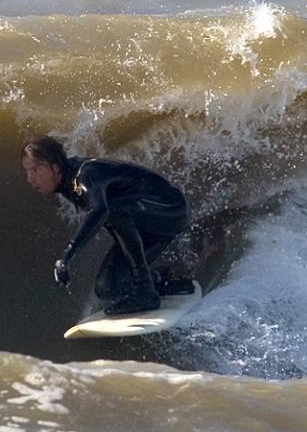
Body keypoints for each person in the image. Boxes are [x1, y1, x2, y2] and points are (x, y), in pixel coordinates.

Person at [22, 135, 189, 316]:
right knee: (106, 288)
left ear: (55, 167)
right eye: (27, 171)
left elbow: (100, 211)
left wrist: (67, 256)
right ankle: (165, 279)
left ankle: (145, 290)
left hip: (171, 209)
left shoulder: (84, 175)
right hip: (147, 226)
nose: (30, 178)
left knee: (112, 210)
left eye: (36, 170)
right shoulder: (68, 183)